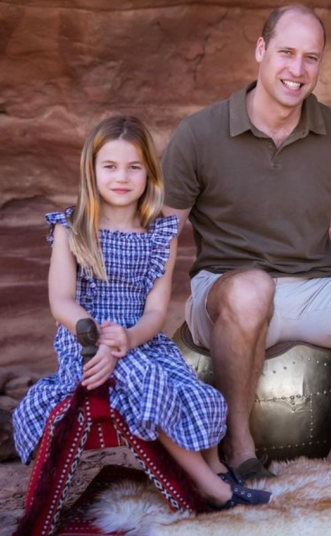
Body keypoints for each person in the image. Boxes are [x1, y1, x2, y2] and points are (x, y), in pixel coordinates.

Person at [161, 5, 331, 476]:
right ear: (261, 50)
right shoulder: (199, 133)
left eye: (311, 57)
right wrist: (143, 321)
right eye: (287, 52)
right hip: (225, 294)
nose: (298, 69)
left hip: (310, 292)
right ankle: (240, 450)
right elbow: (161, 239)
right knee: (252, 289)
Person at [12, 116, 269, 509]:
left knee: (198, 392)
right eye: (110, 166)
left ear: (149, 173)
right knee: (144, 379)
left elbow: (155, 310)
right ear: (91, 170)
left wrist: (129, 338)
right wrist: (96, 335)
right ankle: (213, 489)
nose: (122, 177)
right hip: (85, 343)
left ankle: (217, 468)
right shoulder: (72, 228)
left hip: (142, 340)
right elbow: (61, 301)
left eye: (134, 167)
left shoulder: (160, 234)